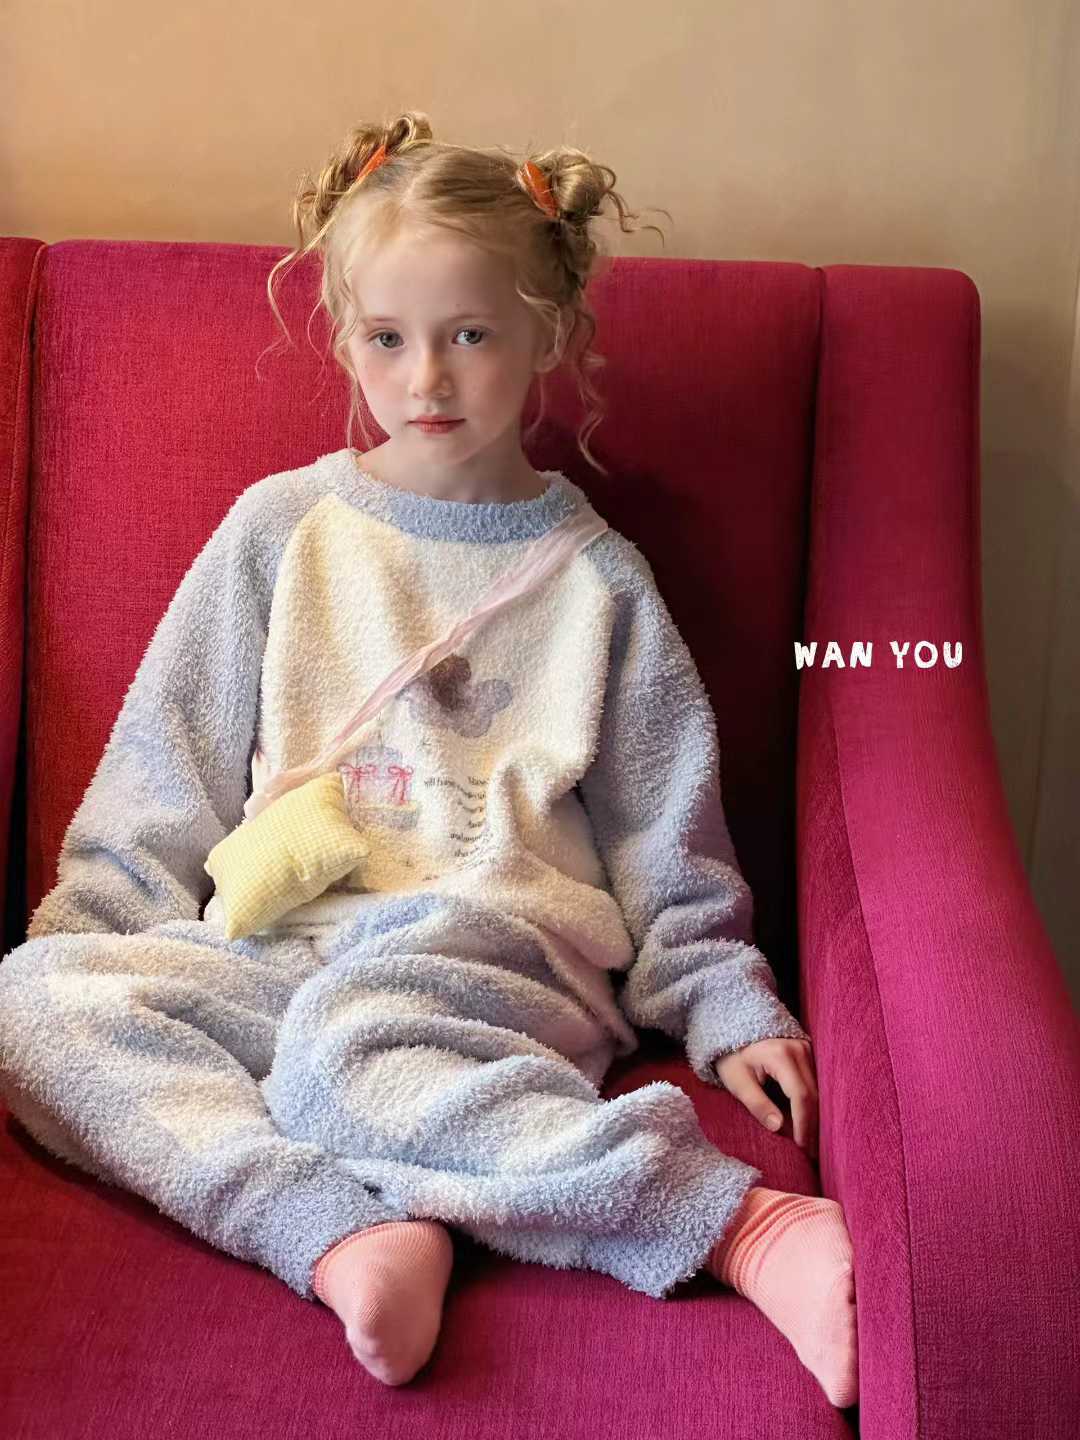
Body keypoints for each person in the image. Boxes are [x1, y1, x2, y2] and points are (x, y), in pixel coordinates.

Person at [0, 111, 857, 1406]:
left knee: (347, 1056)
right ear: (342, 335)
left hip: (490, 947)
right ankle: (344, 1231)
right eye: (387, 339)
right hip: (278, 944)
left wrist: (722, 998)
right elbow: (163, 766)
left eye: (471, 336)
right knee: (29, 1005)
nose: (426, 382)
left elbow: (666, 831)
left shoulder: (599, 582)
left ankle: (737, 1224)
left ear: (547, 334)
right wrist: (96, 947)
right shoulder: (279, 529)